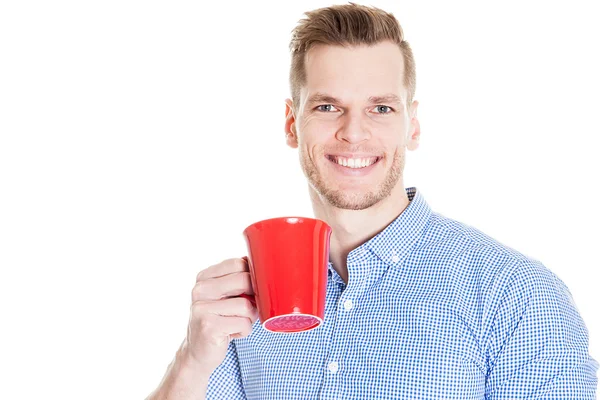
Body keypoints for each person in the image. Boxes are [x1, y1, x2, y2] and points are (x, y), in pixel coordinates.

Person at [147, 3, 598, 399]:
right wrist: (192, 359)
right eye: (327, 107)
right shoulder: (249, 302)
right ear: (292, 123)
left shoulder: (516, 295)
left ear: (412, 126)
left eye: (381, 108)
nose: (354, 132)